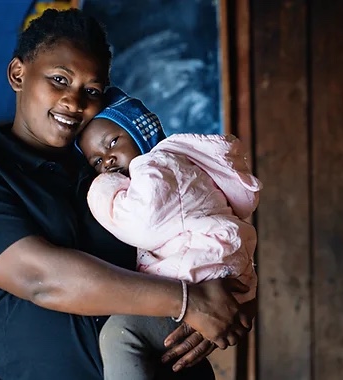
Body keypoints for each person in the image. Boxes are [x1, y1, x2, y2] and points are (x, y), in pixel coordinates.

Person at [0, 9, 252, 380]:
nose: (74, 101)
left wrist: (230, 299)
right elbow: (41, 279)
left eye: (92, 90)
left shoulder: (116, 171)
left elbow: (205, 229)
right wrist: (188, 302)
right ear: (18, 74)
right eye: (59, 79)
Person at [76, 87, 260, 380]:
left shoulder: (157, 166)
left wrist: (101, 188)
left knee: (120, 334)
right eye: (97, 162)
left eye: (112, 143)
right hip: (199, 279)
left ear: (140, 133)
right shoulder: (172, 168)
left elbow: (143, 224)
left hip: (197, 286)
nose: (108, 161)